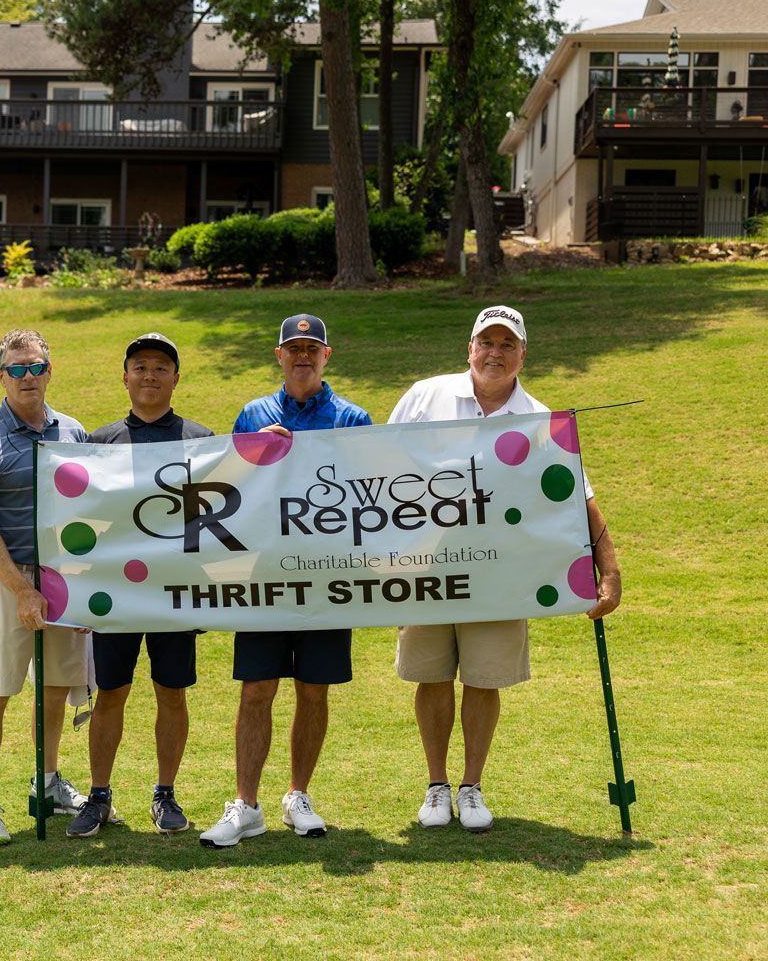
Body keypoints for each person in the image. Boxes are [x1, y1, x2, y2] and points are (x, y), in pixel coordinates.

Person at [387, 305, 622, 832]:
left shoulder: (540, 419)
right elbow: (377, 469)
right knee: (431, 675)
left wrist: (609, 571)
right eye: (486, 342)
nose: (495, 353)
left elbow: (578, 499)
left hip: (501, 572)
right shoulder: (426, 396)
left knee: (484, 677)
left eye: (507, 345)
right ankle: (436, 786)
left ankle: (471, 786)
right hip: (426, 566)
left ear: (522, 354)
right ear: (469, 347)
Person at [200, 314, 372, 848]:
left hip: (327, 576)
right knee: (257, 688)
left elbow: (369, 492)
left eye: (311, 348)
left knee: (313, 689)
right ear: (278, 356)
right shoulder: (253, 414)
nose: (302, 356)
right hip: (265, 575)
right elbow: (229, 491)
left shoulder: (352, 418)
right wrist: (253, 452)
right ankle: (246, 805)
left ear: (327, 356)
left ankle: (298, 795)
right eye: (293, 348)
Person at [66, 333, 214, 838]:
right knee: (111, 693)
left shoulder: (200, 439)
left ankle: (165, 793)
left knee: (171, 693)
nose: (149, 375)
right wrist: (82, 595)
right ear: (125, 376)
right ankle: (100, 796)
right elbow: (81, 525)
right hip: (115, 596)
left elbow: (212, 522)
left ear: (176, 377)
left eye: (160, 367)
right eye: (140, 367)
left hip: (174, 594)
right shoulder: (100, 442)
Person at [0, 329, 90, 847]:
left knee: (55, 685)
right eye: (17, 369)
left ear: (50, 371)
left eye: (36, 367)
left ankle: (48, 782)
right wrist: (21, 589)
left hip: (63, 577)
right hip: (6, 577)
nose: (28, 377)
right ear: (1, 376)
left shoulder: (73, 432)